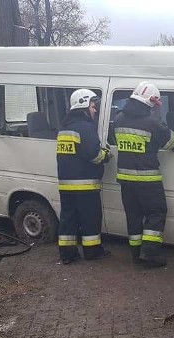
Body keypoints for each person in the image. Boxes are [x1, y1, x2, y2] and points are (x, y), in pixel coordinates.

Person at [113, 81, 174, 267]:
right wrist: (158, 116)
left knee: (133, 216)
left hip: (125, 179)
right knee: (156, 213)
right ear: (152, 100)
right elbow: (173, 143)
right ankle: (150, 254)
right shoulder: (152, 121)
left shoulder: (118, 118)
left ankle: (136, 254)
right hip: (147, 179)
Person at [56, 89, 111, 264]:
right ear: (84, 106)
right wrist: (107, 154)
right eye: (93, 106)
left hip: (66, 184)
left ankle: (67, 254)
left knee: (68, 220)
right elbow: (95, 156)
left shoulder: (65, 127)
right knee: (90, 219)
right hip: (85, 185)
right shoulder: (85, 127)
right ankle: (93, 251)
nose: (95, 110)